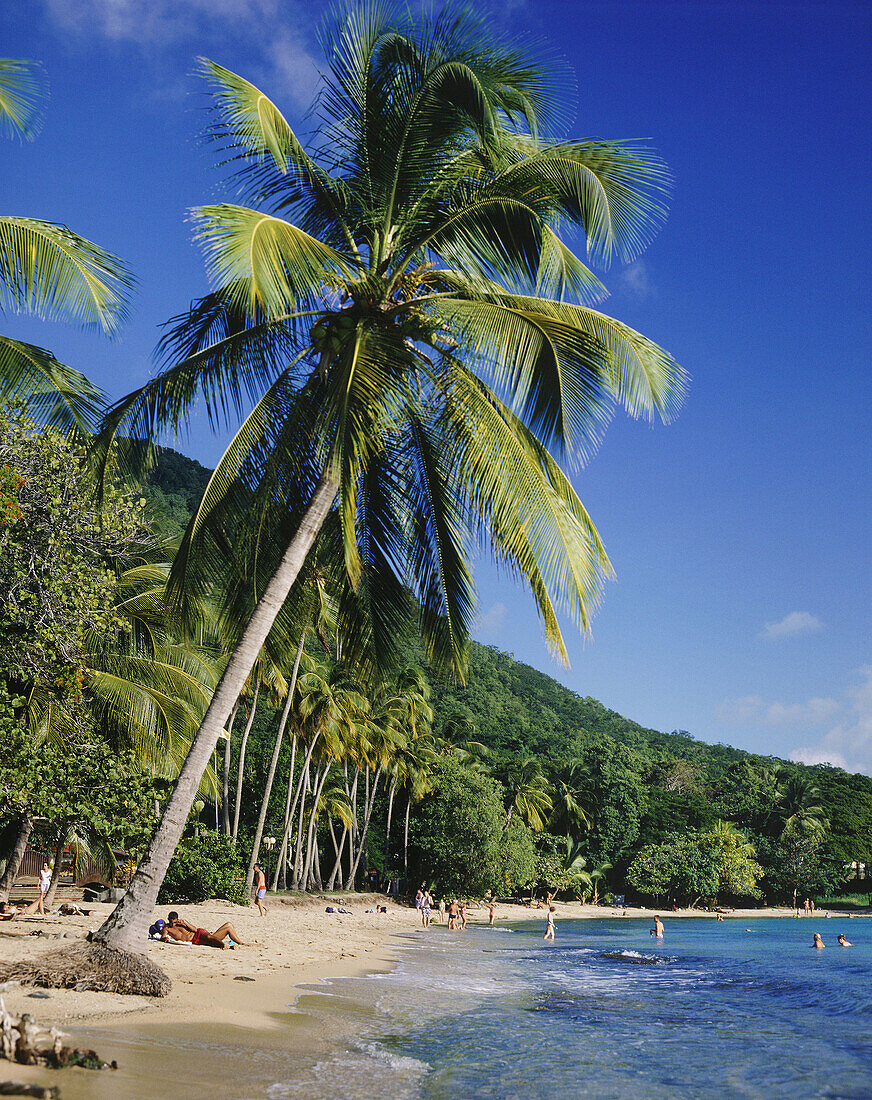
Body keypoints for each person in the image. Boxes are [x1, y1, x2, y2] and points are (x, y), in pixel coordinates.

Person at [160, 911, 245, 949]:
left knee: (209, 937)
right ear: (168, 919)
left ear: (177, 919)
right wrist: (165, 939)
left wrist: (185, 923)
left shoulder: (181, 923)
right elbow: (162, 937)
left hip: (198, 934)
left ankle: (226, 945)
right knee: (226, 927)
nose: (173, 924)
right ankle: (233, 944)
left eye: (174, 922)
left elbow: (195, 929)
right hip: (195, 941)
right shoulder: (167, 928)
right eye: (171, 922)